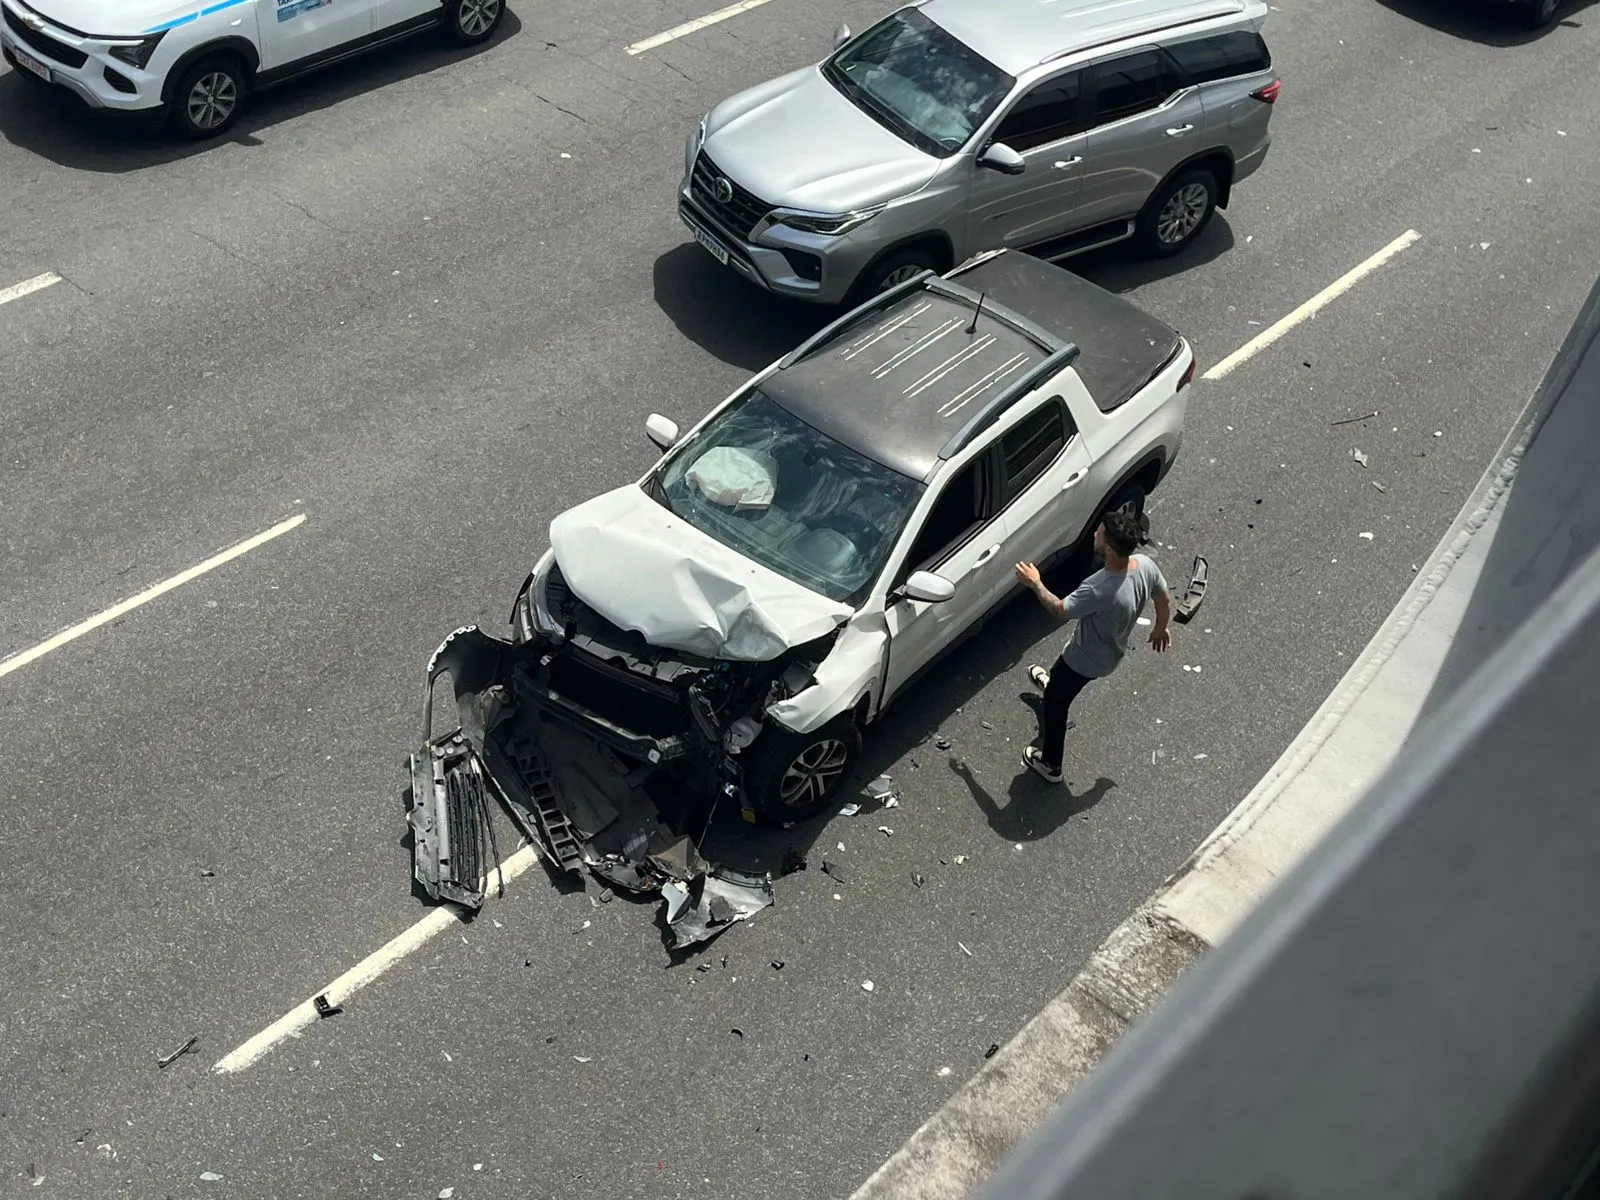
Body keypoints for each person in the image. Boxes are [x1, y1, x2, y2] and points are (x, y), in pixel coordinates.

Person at [1013, 510, 1172, 784]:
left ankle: (1051, 765)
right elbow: (1164, 599)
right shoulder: (1145, 565)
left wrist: (1035, 582)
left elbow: (1059, 610)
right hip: (1109, 655)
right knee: (1061, 684)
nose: (1094, 534)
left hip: (1082, 660)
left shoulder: (1098, 588)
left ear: (1108, 548)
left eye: (1099, 533)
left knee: (1057, 702)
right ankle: (1053, 687)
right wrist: (1160, 628)